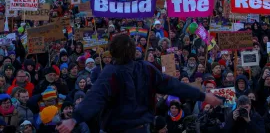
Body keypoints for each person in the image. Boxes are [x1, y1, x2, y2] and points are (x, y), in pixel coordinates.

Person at [57, 34, 221, 133]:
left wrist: (75, 118)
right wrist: (202, 95)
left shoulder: (110, 73)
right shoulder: (146, 68)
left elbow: (94, 96)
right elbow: (174, 85)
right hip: (142, 127)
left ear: (112, 52)